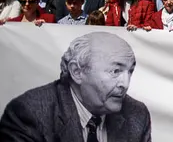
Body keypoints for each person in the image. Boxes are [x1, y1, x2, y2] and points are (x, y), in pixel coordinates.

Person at [0, 32, 151, 141]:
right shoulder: (30, 112)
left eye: (130, 71)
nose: (125, 84)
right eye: (115, 71)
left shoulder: (136, 114)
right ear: (77, 72)